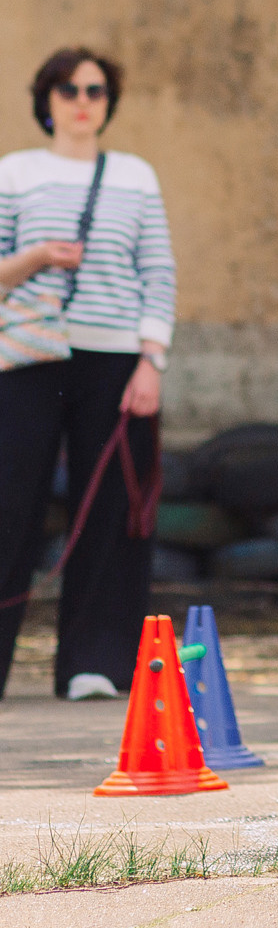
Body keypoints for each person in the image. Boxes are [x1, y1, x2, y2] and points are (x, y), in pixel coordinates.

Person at [0, 48, 175, 701]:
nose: (82, 99)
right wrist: (37, 257)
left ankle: (93, 663)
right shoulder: (15, 172)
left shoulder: (134, 175)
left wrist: (151, 358)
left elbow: (158, 272)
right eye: (68, 88)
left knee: (111, 509)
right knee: (9, 504)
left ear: (108, 102)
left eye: (96, 90)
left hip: (115, 358)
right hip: (27, 359)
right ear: (45, 99)